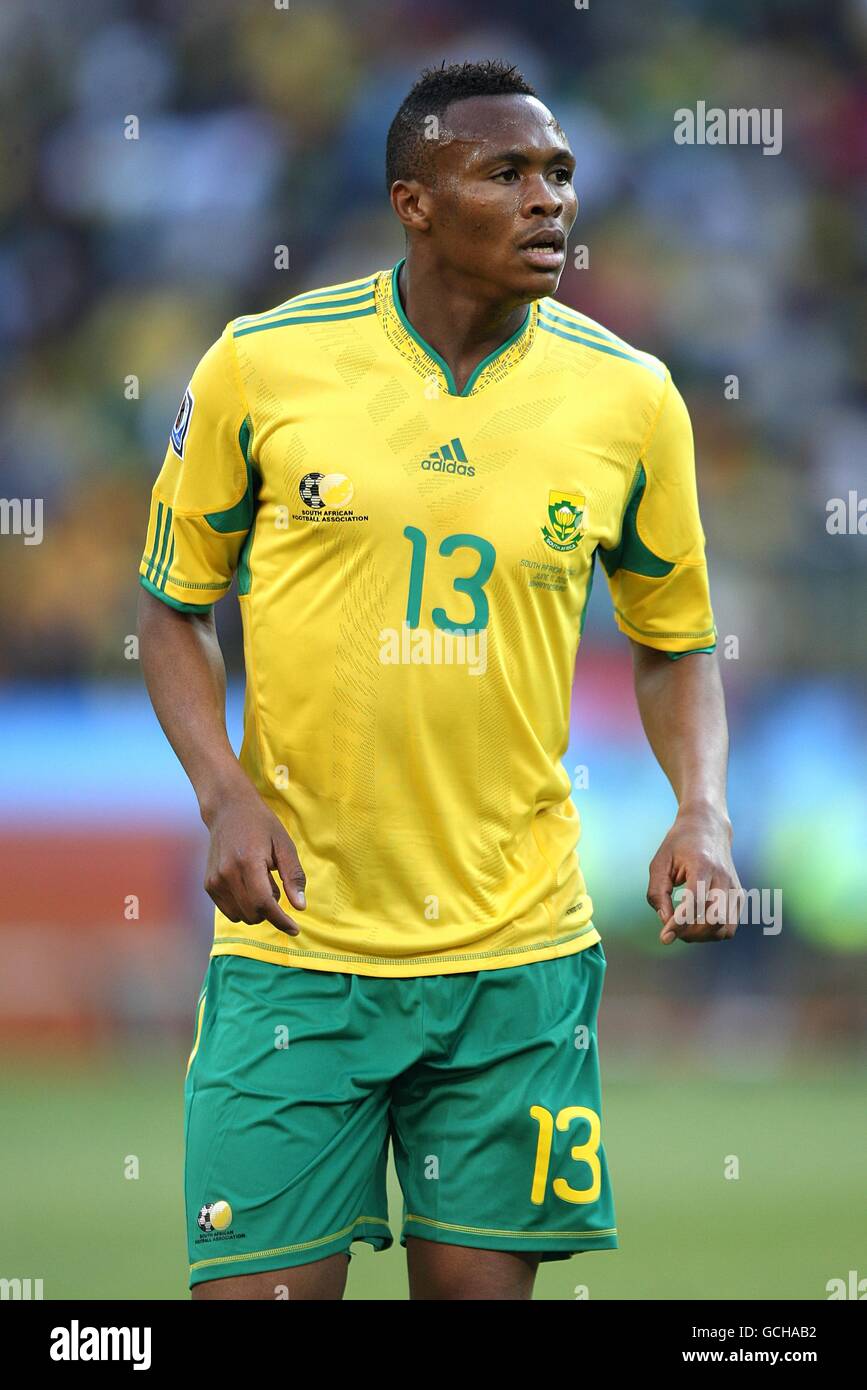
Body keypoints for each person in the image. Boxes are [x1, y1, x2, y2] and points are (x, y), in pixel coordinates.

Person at [138, 59, 741, 1301]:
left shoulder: (631, 399)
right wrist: (221, 792)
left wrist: (703, 809)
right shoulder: (263, 364)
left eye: (561, 174)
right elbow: (171, 605)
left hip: (515, 959)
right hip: (296, 952)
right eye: (507, 173)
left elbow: (675, 638)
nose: (548, 201)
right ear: (415, 201)